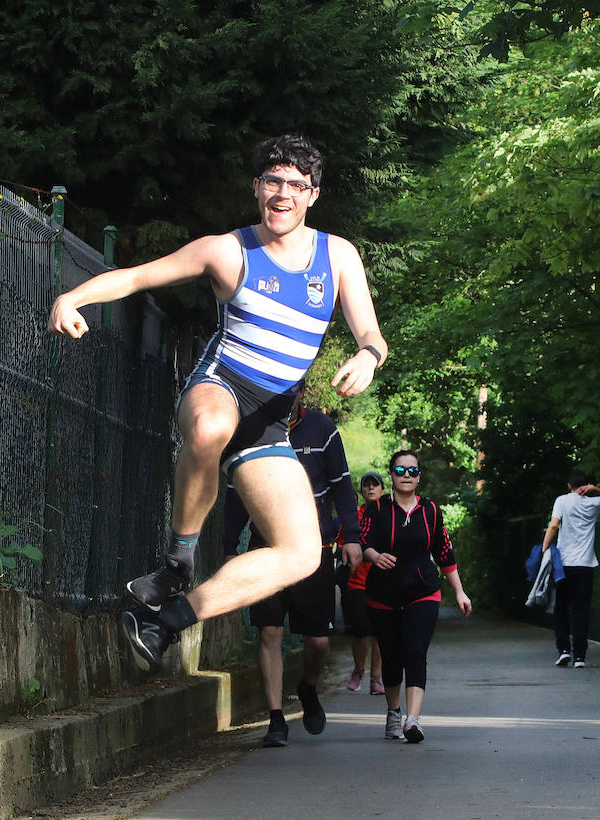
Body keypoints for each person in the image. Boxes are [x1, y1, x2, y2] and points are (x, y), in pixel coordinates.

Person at [47, 135, 387, 673]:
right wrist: (73, 296)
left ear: (312, 195)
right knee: (208, 429)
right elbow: (138, 276)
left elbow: (370, 331)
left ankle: (166, 621)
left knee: (301, 553)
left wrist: (368, 355)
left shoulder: (338, 256)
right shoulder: (228, 250)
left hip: (272, 420)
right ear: (256, 188)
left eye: (295, 186)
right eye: (272, 182)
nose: (282, 195)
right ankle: (179, 559)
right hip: (223, 384)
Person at [222, 398, 360, 747]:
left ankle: (308, 687)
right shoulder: (252, 431)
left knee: (318, 643)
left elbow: (342, 485)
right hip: (266, 548)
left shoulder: (323, 429)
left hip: (313, 550)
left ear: (300, 392)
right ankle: (276, 719)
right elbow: (237, 491)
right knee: (269, 633)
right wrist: (227, 547)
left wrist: (352, 537)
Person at [359, 450, 472, 742]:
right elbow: (364, 542)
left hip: (423, 592)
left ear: (419, 476)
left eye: (412, 471)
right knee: (392, 657)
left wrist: (459, 591)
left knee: (415, 651)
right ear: (391, 475)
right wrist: (374, 556)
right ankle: (394, 713)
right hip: (383, 594)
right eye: (400, 470)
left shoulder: (431, 511)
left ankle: (413, 720)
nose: (406, 475)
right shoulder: (378, 509)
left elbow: (444, 552)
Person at [541, 470, 600, 668]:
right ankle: (580, 656)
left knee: (560, 608)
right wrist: (594, 488)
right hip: (586, 565)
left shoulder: (561, 501)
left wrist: (544, 547)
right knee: (581, 610)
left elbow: (554, 526)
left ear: (569, 485)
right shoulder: (594, 503)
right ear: (585, 486)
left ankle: (563, 650)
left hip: (565, 565)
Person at [341, 471, 385, 694]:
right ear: (361, 491)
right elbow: (342, 542)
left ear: (382, 490)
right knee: (361, 631)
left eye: (374, 485)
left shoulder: (389, 515)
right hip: (357, 582)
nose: (370, 489)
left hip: (383, 582)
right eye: (366, 486)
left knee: (379, 633)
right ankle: (359, 668)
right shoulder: (354, 517)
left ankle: (376, 678)